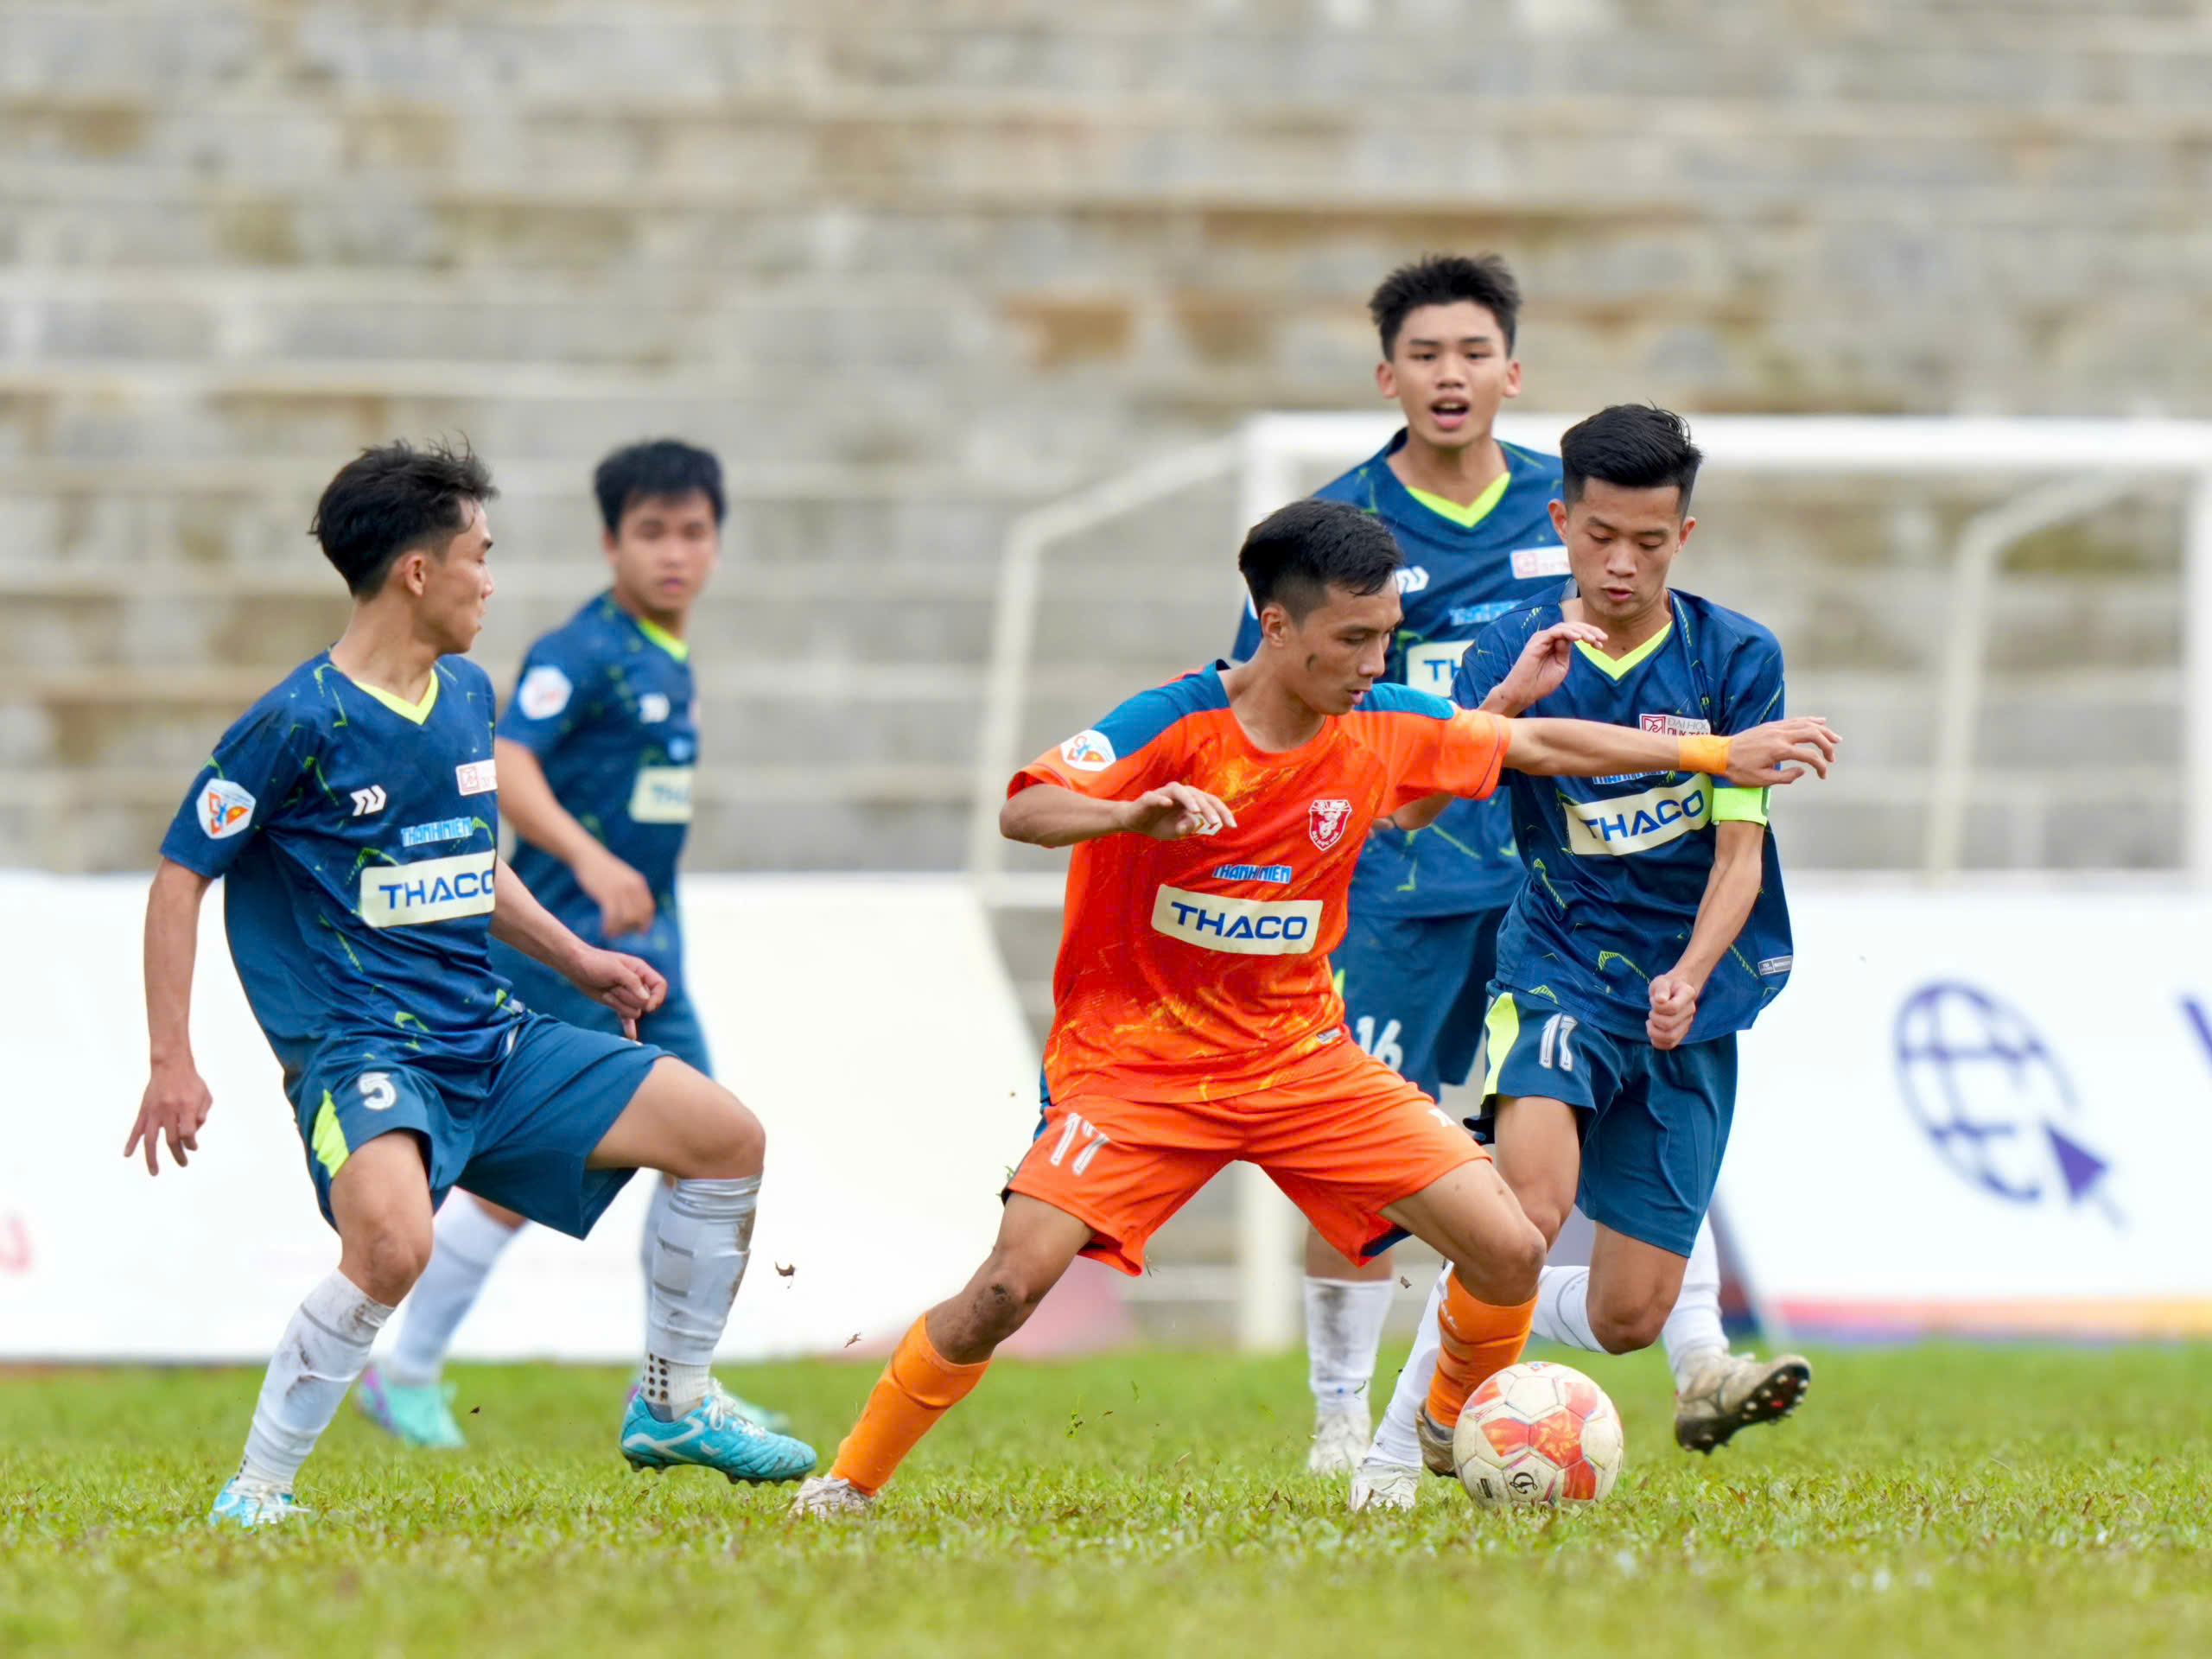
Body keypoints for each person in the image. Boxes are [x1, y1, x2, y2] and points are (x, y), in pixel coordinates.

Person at [789, 497, 1835, 1516]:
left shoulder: (1377, 724)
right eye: (1354, 639)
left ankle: (1443, 1422)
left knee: (1511, 1248)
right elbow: (1027, 805)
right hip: (1136, 1070)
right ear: (1277, 626)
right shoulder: (1173, 724)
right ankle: (850, 1481)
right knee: (1007, 1291)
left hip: (1302, 1063)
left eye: (1387, 636)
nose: (1377, 663)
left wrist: (1709, 754)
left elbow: (1536, 747)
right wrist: (1132, 813)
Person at [125, 440, 814, 1529]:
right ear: (416, 572)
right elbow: (179, 876)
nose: (491, 581)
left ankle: (673, 1405)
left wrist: (578, 960)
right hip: (364, 1048)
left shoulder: (466, 694)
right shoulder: (296, 722)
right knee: (393, 1246)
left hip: (490, 1035)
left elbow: (471, 862)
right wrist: (174, 1056)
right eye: (479, 557)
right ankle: (257, 1494)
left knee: (726, 1136)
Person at [1350, 405, 1818, 1512]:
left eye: (1648, 544)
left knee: (1625, 1319)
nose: (1621, 563)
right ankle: (1392, 1454)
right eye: (1599, 535)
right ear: (1560, 519)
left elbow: (1739, 855)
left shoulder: (1735, 657)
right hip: (1555, 965)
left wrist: (1694, 973)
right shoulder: (1508, 643)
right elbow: (1411, 806)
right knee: (1523, 1216)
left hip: (1693, 995)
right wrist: (1502, 704)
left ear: (1683, 538)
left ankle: (1493, 1356)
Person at [354, 438, 789, 1447]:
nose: (673, 554)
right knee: (525, 1180)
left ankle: (680, 1387)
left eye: (692, 533)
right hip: (564, 953)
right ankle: (407, 1370)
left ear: (717, 545)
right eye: (651, 533)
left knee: (711, 1148)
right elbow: (510, 766)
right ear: (610, 543)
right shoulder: (581, 652)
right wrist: (589, 861)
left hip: (650, 959)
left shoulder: (668, 659)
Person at [1230, 252, 1575, 1471]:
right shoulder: (1336, 531)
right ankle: (1336, 1418)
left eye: (1472, 352)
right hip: (1390, 891)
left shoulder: (1566, 512)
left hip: (1539, 891)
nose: (1450, 374)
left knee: (1524, 1180)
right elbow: (1264, 698)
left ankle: (1437, 1416)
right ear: (1388, 374)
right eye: (1425, 354)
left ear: (1512, 371)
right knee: (1367, 1168)